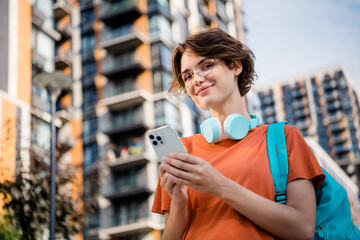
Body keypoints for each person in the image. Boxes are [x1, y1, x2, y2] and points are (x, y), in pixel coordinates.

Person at [151, 28, 325, 240]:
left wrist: (219, 185)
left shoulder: (283, 138)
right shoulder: (183, 152)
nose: (196, 79)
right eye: (187, 76)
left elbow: (303, 229)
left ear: (235, 65)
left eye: (206, 65)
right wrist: (179, 203)